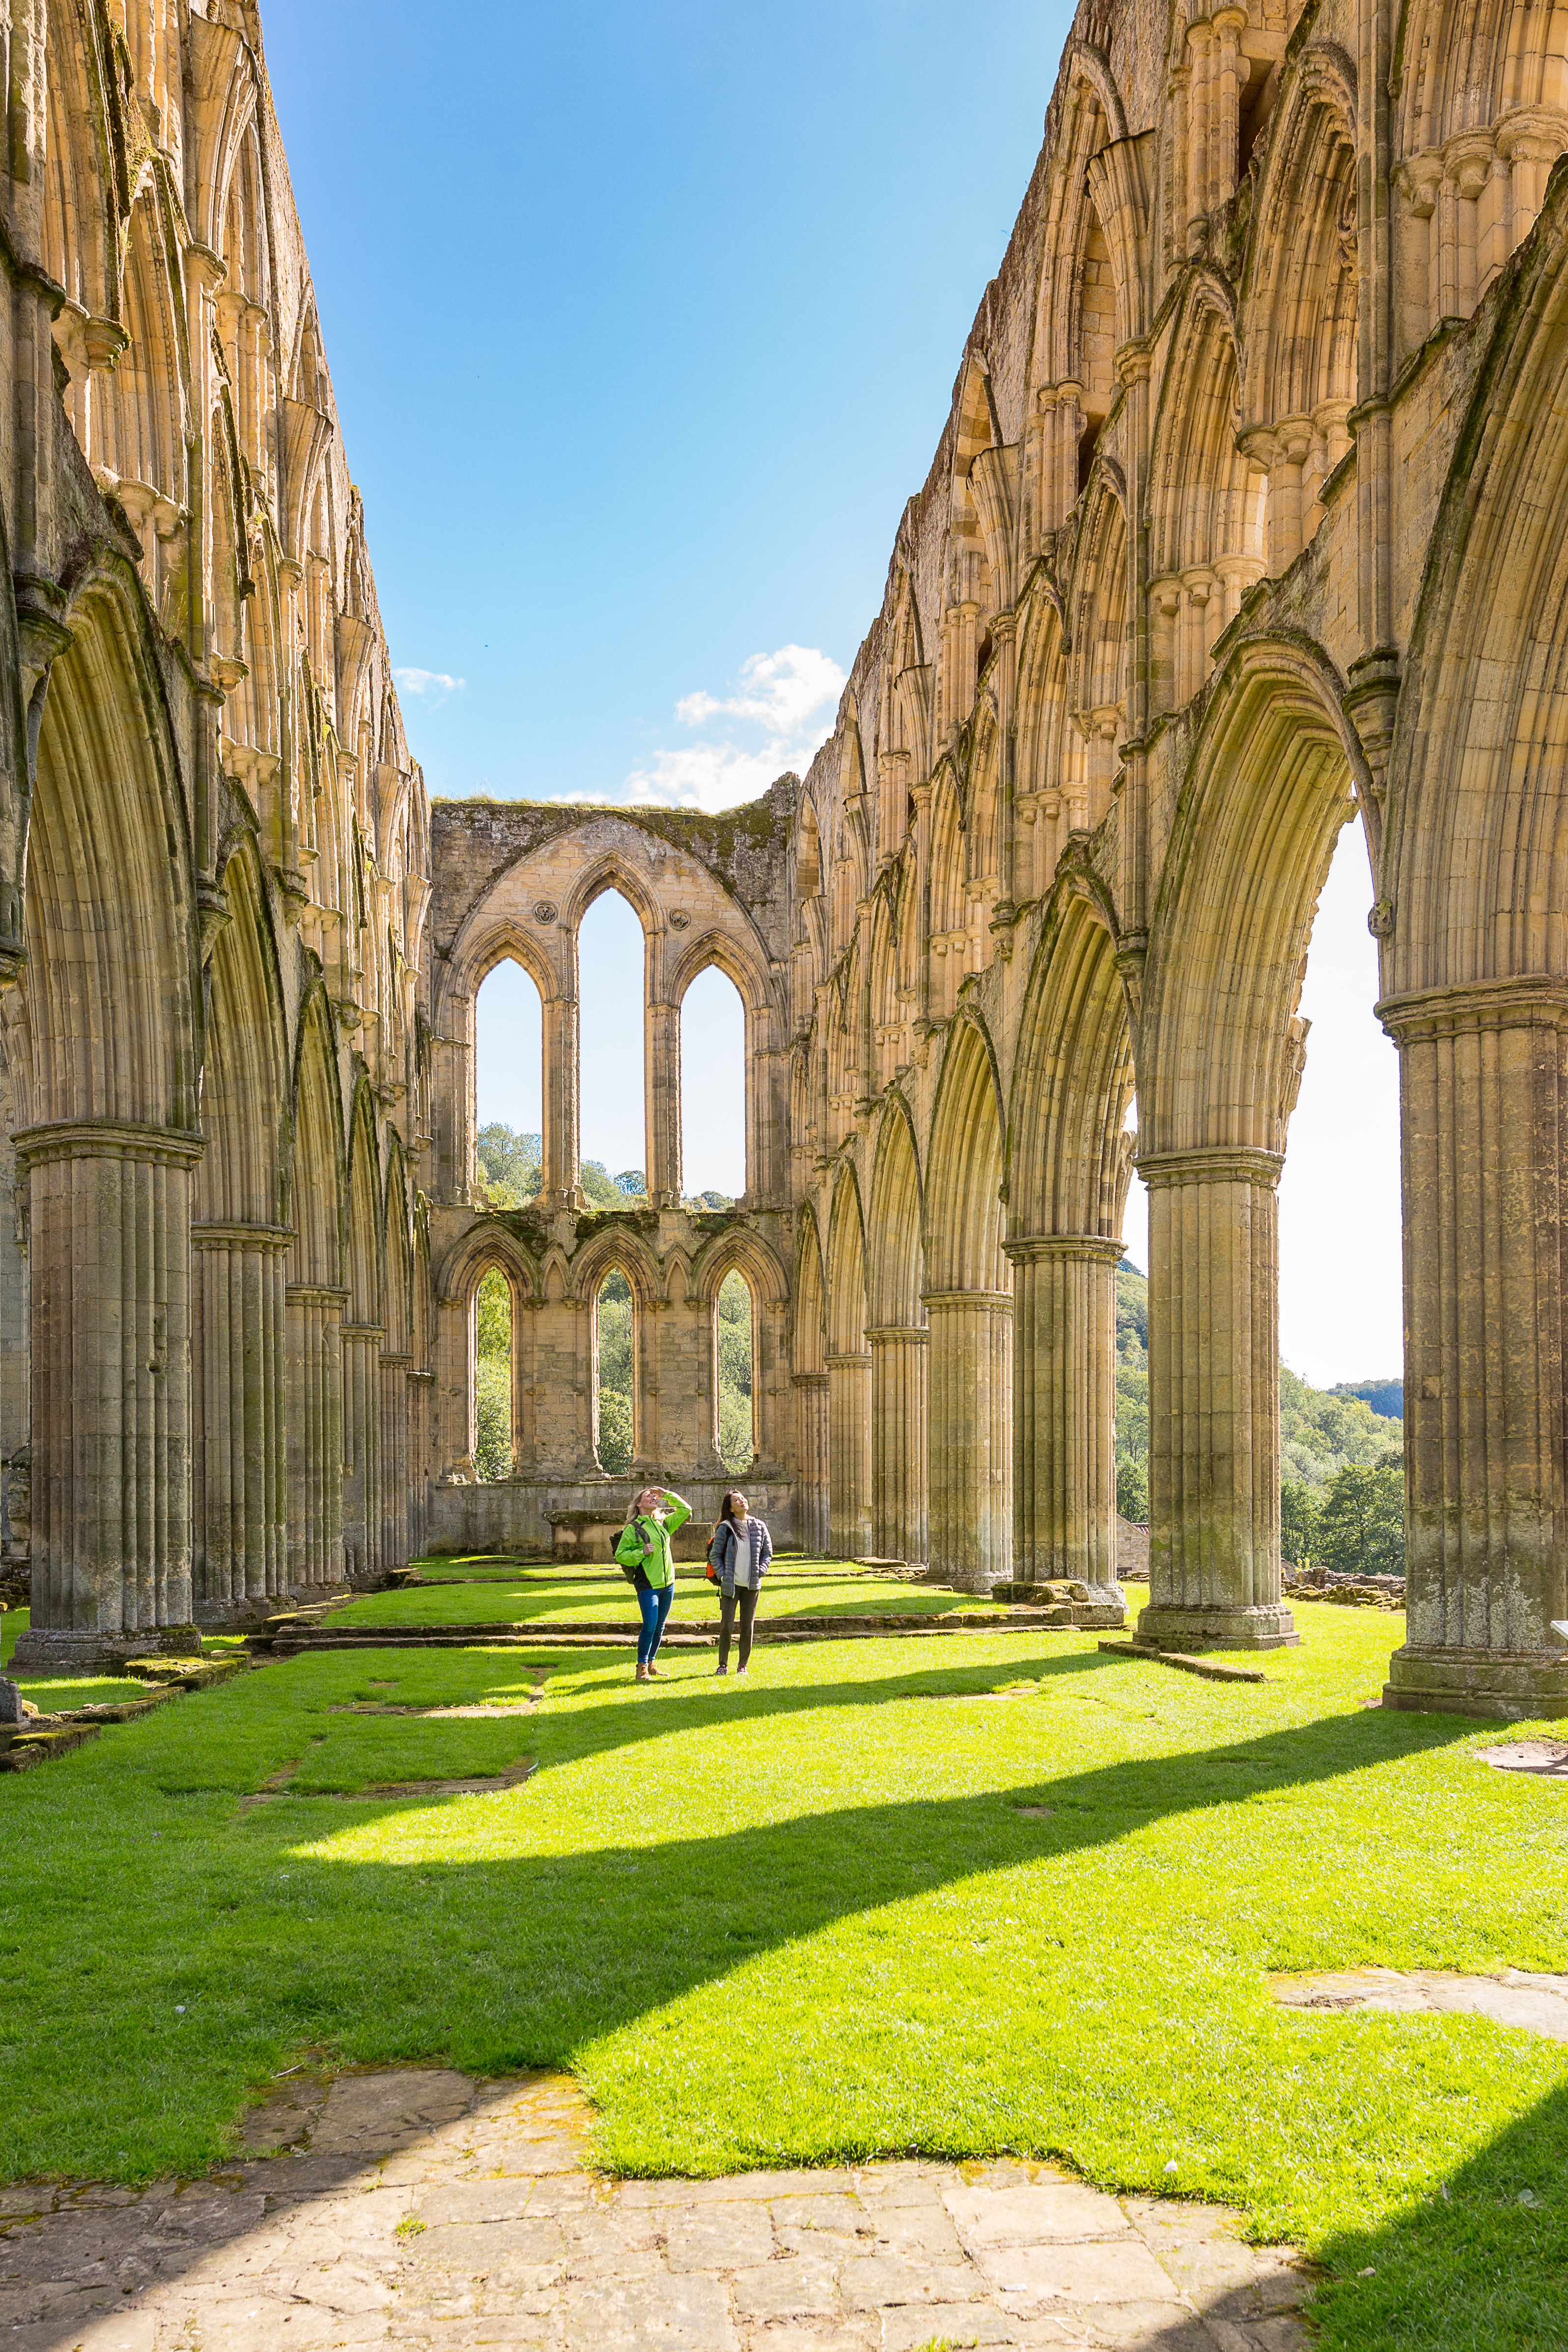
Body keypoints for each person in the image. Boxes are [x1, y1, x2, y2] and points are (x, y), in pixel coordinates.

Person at [615, 1486, 691, 1681]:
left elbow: (686, 1511)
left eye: (655, 1496)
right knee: (650, 1624)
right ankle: (641, 1667)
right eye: (648, 1496)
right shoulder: (633, 1528)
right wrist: (642, 1553)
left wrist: (668, 1495)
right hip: (648, 1583)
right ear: (639, 1504)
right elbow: (621, 1554)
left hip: (668, 1583)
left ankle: (651, 1664)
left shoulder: (664, 1524)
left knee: (660, 1626)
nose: (653, 1497)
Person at [712, 1489, 771, 1678]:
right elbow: (715, 1554)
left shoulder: (759, 1526)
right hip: (731, 1584)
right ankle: (723, 1665)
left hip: (752, 1585)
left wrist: (761, 1570)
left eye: (743, 1499)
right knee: (727, 1626)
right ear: (730, 1507)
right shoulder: (726, 1527)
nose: (742, 1501)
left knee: (748, 1627)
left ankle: (743, 1665)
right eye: (737, 1500)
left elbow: (767, 1553)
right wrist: (723, 1576)